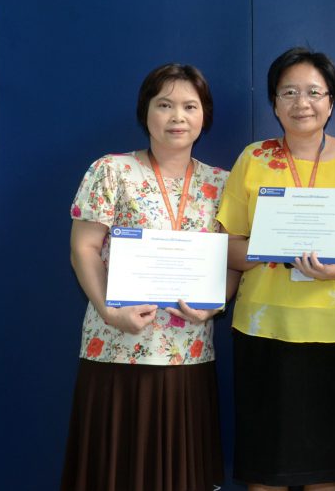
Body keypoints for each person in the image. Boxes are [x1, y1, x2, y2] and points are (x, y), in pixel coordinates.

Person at [217, 47, 335, 491]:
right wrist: (270, 250)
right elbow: (226, 247)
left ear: (331, 101)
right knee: (265, 472)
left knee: (327, 473)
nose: (301, 103)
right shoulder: (253, 158)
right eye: (288, 92)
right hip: (265, 333)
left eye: (314, 92)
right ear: (274, 103)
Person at [61, 63, 231, 491]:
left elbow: (231, 261)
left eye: (190, 106)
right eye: (164, 105)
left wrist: (217, 303)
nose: (177, 117)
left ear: (205, 115)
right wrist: (109, 311)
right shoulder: (111, 171)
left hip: (189, 354)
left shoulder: (222, 183)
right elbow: (84, 248)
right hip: (117, 348)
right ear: (146, 112)